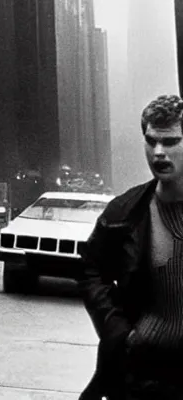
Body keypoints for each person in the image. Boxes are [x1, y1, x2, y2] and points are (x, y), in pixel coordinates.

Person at [79, 94, 183, 399]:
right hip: (141, 373)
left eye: (171, 141)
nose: (159, 153)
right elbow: (90, 269)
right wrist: (115, 328)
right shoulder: (126, 212)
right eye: (151, 142)